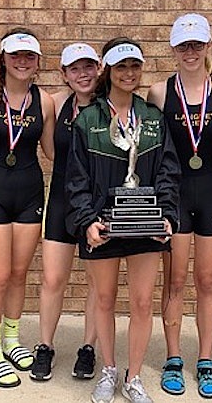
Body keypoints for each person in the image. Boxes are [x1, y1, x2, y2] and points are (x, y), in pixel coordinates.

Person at [66, 37, 180, 403]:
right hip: (104, 225)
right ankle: (109, 369)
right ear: (108, 72)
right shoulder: (88, 120)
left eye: (135, 66)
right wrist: (87, 221)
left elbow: (167, 171)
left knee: (143, 302)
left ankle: (133, 377)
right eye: (121, 67)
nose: (129, 73)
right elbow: (77, 178)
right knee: (103, 298)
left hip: (144, 225)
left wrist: (166, 215)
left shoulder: (153, 118)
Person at [147, 13, 212, 399]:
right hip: (175, 194)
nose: (190, 51)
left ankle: (205, 360)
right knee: (176, 281)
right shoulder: (159, 92)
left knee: (207, 281)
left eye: (197, 44)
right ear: (173, 49)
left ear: (208, 46)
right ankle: (172, 358)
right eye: (183, 45)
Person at [0, 28, 55, 388]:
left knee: (20, 273)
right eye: (15, 55)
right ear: (3, 58)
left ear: (38, 62)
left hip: (30, 192)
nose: (22, 62)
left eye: (29, 56)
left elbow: (52, 152)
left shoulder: (46, 101)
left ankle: (11, 341)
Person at [30, 43, 100, 382]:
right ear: (64, 74)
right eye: (75, 68)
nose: (82, 74)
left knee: (96, 283)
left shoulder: (110, 107)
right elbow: (49, 150)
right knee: (52, 278)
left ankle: (88, 348)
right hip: (61, 199)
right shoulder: (55, 104)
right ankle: (45, 346)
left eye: (88, 66)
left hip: (98, 205)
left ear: (99, 69)